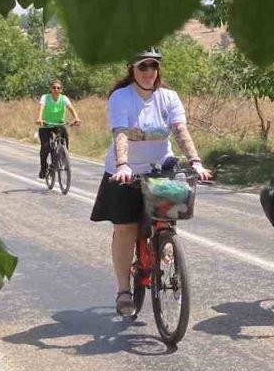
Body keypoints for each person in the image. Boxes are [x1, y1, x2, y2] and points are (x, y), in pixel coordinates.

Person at [90, 49, 212, 317]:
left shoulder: (168, 98)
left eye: (153, 66)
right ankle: (124, 290)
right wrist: (123, 165)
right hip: (126, 172)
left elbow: (180, 130)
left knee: (167, 219)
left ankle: (164, 247)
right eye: (143, 66)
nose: (148, 72)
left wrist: (195, 161)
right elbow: (120, 132)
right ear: (132, 69)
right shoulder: (121, 98)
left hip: (160, 169)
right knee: (126, 229)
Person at [37, 79, 83, 178]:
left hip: (59, 124)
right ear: (51, 88)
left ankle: (60, 158)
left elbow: (71, 108)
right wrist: (40, 118)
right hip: (46, 124)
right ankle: (43, 167)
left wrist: (76, 118)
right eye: (54, 87)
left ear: (61, 89)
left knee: (64, 140)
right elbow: (41, 108)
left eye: (58, 88)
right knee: (45, 147)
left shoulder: (64, 98)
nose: (56, 90)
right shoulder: (45, 97)